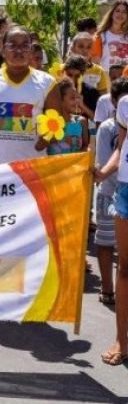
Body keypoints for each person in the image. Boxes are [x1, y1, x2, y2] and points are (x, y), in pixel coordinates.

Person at [0, 27, 61, 168]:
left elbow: (58, 123)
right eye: (12, 45)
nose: (19, 50)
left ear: (31, 50)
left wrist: (47, 138)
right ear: (3, 50)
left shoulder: (47, 83)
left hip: (31, 170)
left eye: (25, 46)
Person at [93, 81, 128, 365]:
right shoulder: (125, 105)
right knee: (126, 267)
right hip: (125, 192)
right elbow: (121, 147)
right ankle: (122, 340)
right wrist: (102, 172)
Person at [34, 78, 88, 155]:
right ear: (60, 100)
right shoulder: (47, 122)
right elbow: (38, 147)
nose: (77, 101)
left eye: (78, 97)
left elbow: (85, 146)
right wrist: (55, 136)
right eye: (72, 98)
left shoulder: (81, 121)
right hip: (54, 166)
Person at [94, 0, 128, 70]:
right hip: (107, 79)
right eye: (117, 11)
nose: (120, 14)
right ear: (112, 13)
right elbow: (95, 63)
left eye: (124, 12)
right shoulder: (101, 35)